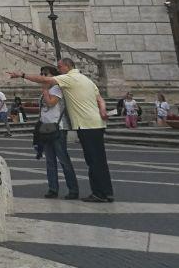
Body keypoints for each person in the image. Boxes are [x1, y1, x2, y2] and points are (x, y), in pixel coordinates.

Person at [10, 58, 113, 203]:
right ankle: (106, 192)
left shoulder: (69, 79)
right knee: (99, 160)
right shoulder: (86, 80)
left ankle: (98, 193)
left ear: (67, 67)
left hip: (84, 124)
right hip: (94, 123)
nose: (58, 70)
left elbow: (47, 92)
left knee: (92, 161)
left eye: (60, 67)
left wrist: (22, 75)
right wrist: (102, 110)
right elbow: (100, 99)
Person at [28, 65, 79, 199]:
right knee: (50, 160)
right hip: (45, 128)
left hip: (58, 128)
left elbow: (50, 103)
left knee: (63, 160)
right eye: (41, 73)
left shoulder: (58, 89)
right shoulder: (47, 89)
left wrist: (45, 90)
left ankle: (73, 189)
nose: (43, 76)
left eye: (45, 73)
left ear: (53, 76)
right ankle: (53, 188)